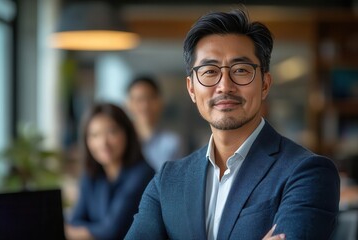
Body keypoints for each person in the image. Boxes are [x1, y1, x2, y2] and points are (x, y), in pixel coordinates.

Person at [125, 8, 340, 240]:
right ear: (191, 89)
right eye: (209, 71)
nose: (225, 86)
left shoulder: (307, 172)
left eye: (240, 70)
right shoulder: (168, 180)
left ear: (265, 84)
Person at [64, 103, 154, 240]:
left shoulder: (142, 174)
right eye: (95, 135)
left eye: (112, 132)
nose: (103, 143)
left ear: (127, 133)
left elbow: (111, 231)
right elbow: (76, 220)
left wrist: (73, 231)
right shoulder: (92, 173)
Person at [126, 75, 185, 172]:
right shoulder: (122, 141)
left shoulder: (173, 143)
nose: (145, 106)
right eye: (139, 100)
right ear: (128, 104)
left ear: (160, 102)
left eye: (150, 98)